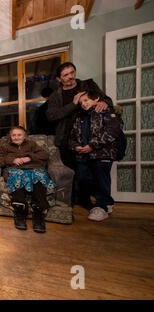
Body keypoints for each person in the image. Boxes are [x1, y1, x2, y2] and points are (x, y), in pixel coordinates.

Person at [46, 62, 113, 206]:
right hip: (67, 139)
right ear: (59, 79)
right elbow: (51, 116)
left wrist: (105, 103)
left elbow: (106, 99)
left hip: (92, 135)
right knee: (75, 172)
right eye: (66, 75)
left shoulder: (87, 86)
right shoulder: (55, 96)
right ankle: (76, 201)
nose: (70, 77)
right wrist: (73, 104)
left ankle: (98, 202)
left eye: (72, 72)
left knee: (95, 172)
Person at [70, 88, 122, 221]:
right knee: (83, 178)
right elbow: (72, 137)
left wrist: (92, 145)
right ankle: (106, 201)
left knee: (101, 179)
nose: (84, 104)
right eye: (81, 102)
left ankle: (102, 206)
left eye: (86, 100)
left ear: (96, 99)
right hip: (83, 155)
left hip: (102, 154)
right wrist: (76, 146)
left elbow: (113, 131)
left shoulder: (106, 112)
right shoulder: (80, 118)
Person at [0, 126, 55, 233]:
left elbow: (45, 155)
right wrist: (12, 160)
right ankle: (20, 213)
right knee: (18, 176)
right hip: (14, 170)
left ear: (24, 136)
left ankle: (38, 215)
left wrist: (29, 157)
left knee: (38, 175)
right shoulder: (5, 146)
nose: (16, 137)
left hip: (32, 168)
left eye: (19, 135)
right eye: (14, 135)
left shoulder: (31, 144)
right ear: (10, 137)